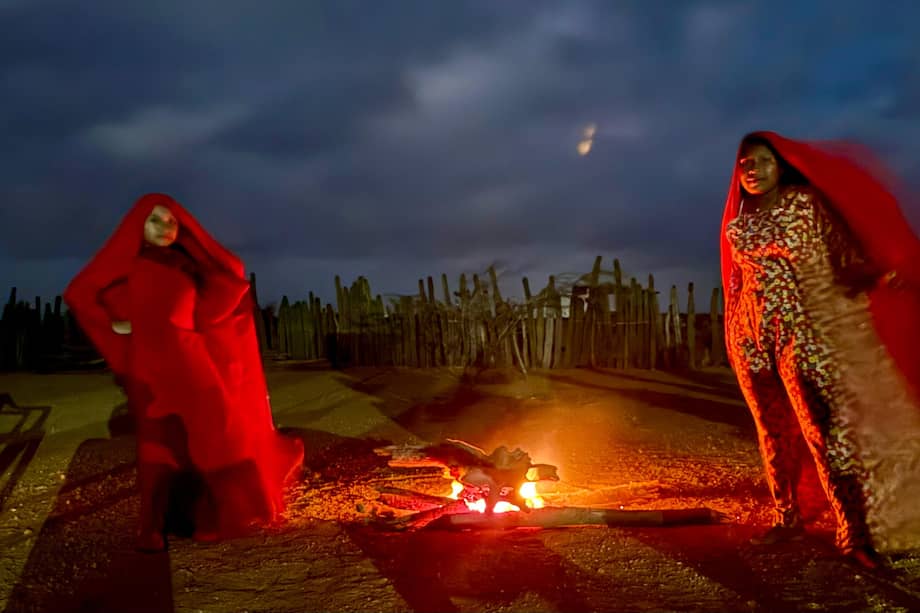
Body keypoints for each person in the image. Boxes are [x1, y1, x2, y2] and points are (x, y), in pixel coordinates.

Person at [720, 131, 920, 569]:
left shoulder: (804, 206)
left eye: (763, 162)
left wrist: (883, 274)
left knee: (823, 430)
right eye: (745, 164)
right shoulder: (739, 223)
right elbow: (736, 282)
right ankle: (786, 517)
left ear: (781, 165)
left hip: (802, 332)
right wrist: (733, 333)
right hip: (750, 336)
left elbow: (842, 256)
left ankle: (854, 532)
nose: (753, 170)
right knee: (772, 431)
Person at [64, 193, 304, 552]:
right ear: (137, 226)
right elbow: (81, 293)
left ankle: (214, 517)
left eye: (172, 221)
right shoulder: (128, 266)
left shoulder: (190, 267)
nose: (165, 228)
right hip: (151, 368)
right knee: (158, 447)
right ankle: (152, 525)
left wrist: (201, 247)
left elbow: (226, 284)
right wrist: (118, 324)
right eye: (155, 220)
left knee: (218, 440)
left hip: (195, 363)